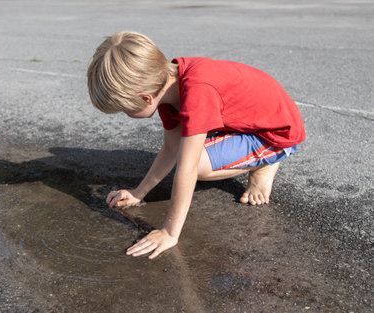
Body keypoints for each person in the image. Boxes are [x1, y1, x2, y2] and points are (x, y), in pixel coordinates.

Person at [87, 31, 305, 259]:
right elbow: (170, 149)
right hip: (249, 121)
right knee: (183, 151)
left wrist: (169, 232)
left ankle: (267, 161)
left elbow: (187, 168)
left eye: (125, 109)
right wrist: (137, 193)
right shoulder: (166, 83)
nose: (126, 115)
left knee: (195, 164)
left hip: (278, 133)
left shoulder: (197, 93)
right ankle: (256, 156)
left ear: (145, 98)